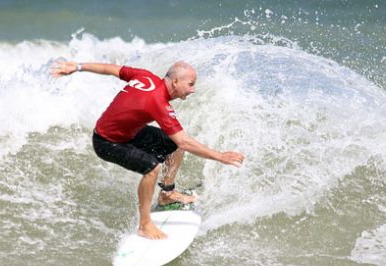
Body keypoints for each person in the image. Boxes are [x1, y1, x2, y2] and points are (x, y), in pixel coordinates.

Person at [51, 60, 245, 240]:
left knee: (174, 144)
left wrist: (77, 66)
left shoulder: (145, 76)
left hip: (130, 133)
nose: (193, 90)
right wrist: (219, 156)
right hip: (107, 141)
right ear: (176, 81)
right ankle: (145, 225)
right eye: (191, 84)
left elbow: (110, 69)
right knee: (152, 168)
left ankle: (167, 194)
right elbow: (185, 141)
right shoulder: (158, 102)